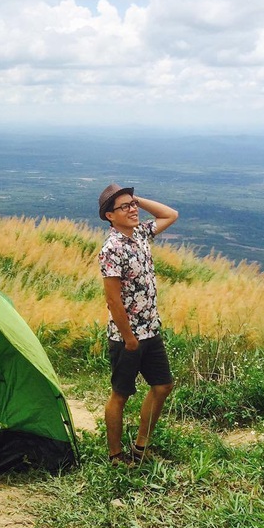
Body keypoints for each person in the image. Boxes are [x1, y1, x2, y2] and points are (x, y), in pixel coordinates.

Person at [97, 183, 179, 465]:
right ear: (109, 216)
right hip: (127, 337)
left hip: (151, 330)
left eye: (133, 204)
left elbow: (170, 215)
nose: (132, 209)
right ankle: (115, 455)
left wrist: (137, 201)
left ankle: (141, 446)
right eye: (124, 206)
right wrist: (129, 337)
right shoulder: (112, 249)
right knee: (120, 394)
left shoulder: (141, 234)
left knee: (163, 385)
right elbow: (113, 300)